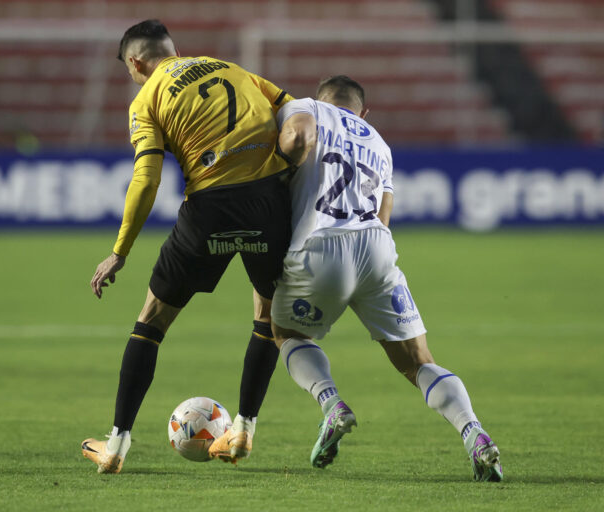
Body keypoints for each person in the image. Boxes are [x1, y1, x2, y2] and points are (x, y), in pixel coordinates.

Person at [82, 19, 294, 474]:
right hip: (271, 200)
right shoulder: (233, 69)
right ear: (173, 49)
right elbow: (296, 111)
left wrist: (120, 250)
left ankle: (116, 445)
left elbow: (147, 177)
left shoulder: (147, 98)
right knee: (267, 317)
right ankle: (242, 432)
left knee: (152, 321)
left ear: (136, 62)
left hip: (210, 207)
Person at [270, 76, 503, 482]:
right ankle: (474, 432)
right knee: (417, 362)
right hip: (376, 246)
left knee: (286, 332)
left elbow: (294, 141)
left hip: (321, 244)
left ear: (322, 99)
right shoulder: (379, 142)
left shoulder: (305, 107)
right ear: (363, 112)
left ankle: (331, 404)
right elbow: (384, 212)